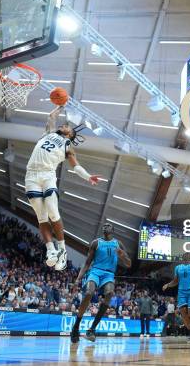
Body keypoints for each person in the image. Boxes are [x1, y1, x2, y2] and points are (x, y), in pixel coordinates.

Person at [25, 106, 101, 271]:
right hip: (31, 175)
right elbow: (51, 116)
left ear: (70, 135)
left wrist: (88, 177)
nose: (64, 125)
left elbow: (76, 167)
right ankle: (51, 251)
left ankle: (63, 250)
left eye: (67, 127)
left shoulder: (68, 146)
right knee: (41, 217)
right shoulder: (49, 133)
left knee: (52, 211)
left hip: (47, 175)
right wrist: (61, 105)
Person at [70, 223, 131, 343]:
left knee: (110, 293)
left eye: (108, 225)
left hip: (109, 274)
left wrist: (122, 256)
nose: (105, 226)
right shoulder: (96, 243)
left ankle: (92, 329)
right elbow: (87, 263)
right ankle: (76, 327)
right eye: (104, 225)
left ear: (112, 229)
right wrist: (78, 279)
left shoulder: (118, 244)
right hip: (95, 271)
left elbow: (129, 264)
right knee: (88, 293)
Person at [162, 252, 190, 341]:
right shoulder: (178, 268)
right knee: (183, 314)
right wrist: (168, 285)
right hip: (181, 293)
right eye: (185, 258)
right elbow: (175, 281)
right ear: (183, 259)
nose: (186, 260)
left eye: (188, 258)